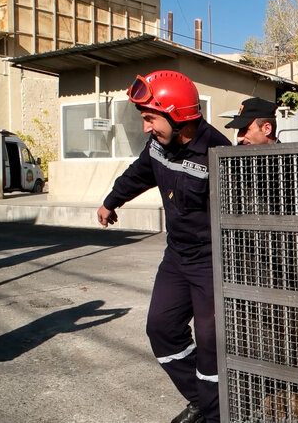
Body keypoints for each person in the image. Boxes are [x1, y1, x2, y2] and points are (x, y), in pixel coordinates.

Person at [97, 70, 231, 423]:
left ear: (177, 114)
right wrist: (112, 201)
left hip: (211, 262)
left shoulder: (218, 154)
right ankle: (203, 400)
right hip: (177, 256)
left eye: (150, 118)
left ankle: (217, 415)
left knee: (210, 347)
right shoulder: (159, 145)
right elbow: (139, 173)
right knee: (161, 329)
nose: (146, 128)